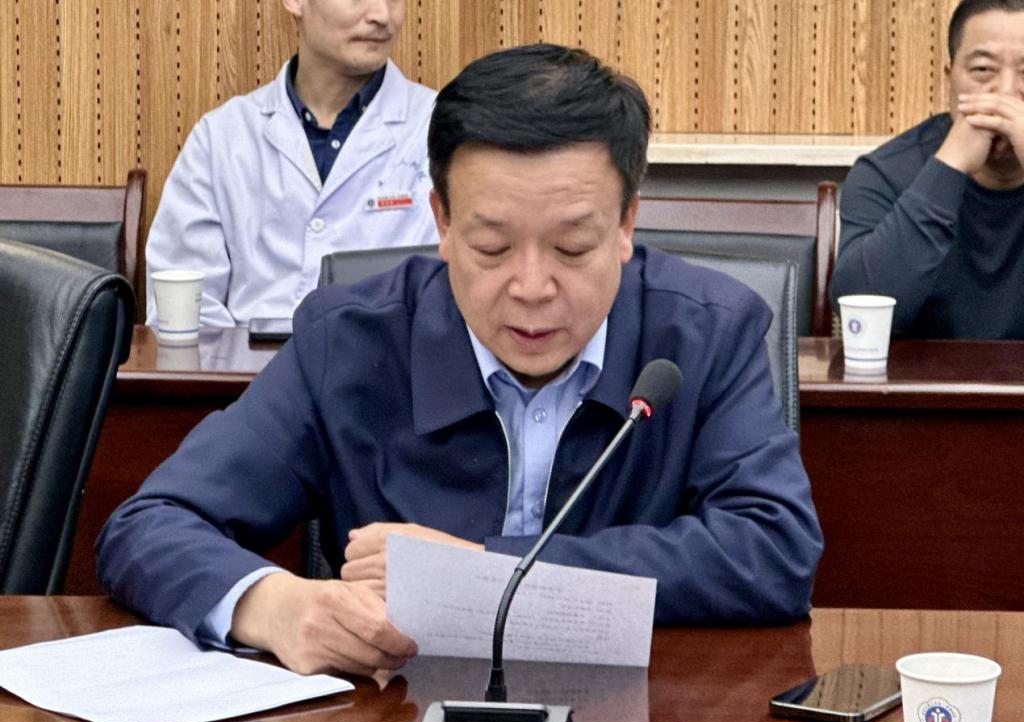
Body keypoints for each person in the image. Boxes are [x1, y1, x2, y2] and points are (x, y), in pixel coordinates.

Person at [99, 44, 823, 677]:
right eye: (492, 248)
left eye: (572, 247)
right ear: (442, 221)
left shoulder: (706, 333)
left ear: (627, 222)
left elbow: (774, 550)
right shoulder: (349, 341)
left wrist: (477, 572)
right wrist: (275, 604)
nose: (532, 287)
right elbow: (151, 524)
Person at [144, 0, 438, 328]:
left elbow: (453, 303)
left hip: (390, 359)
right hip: (243, 360)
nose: (382, 15)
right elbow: (182, 312)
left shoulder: (439, 130)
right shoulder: (221, 138)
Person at [831, 0, 1024, 338]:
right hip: (916, 374)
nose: (1005, 93)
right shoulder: (886, 173)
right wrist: (948, 168)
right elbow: (859, 318)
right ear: (950, 80)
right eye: (983, 70)